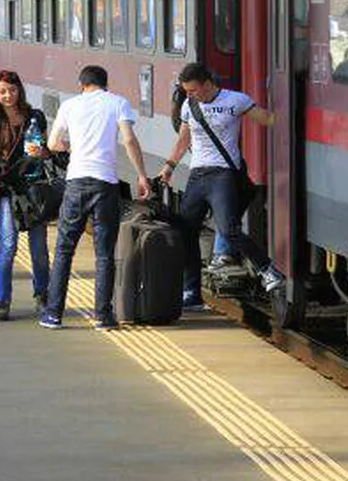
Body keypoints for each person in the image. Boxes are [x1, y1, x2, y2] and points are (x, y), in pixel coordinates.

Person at [159, 62, 285, 308]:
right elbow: (183, 140)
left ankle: (268, 270)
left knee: (228, 229)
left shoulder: (235, 101)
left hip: (222, 175)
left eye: (193, 90)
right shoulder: (189, 105)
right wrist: (169, 167)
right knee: (186, 231)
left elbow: (268, 119)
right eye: (186, 91)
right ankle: (191, 292)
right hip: (198, 175)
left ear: (207, 84)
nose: (189, 95)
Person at [41, 65, 150, 331]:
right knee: (104, 254)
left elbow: (53, 144)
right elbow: (129, 140)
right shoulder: (118, 103)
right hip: (106, 184)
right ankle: (103, 316)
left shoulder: (70, 105)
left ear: (82, 85)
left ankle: (54, 314)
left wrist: (71, 147)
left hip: (76, 183)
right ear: (105, 84)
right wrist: (142, 176)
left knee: (65, 250)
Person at [0, 70, 52, 321]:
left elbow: (46, 150)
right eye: (2, 91)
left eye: (12, 90)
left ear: (20, 90)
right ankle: (2, 300)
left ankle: (42, 295)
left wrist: (43, 153)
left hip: (33, 188)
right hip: (6, 190)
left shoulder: (35, 117)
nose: (8, 95)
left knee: (39, 247)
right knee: (8, 244)